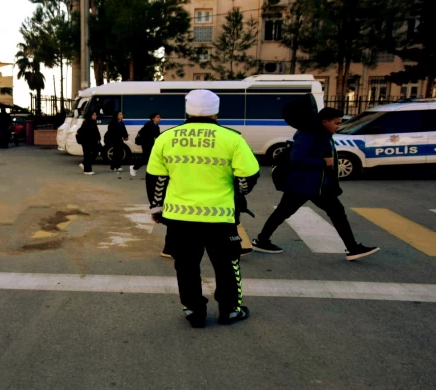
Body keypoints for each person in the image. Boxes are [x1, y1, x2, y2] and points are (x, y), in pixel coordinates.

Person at [146, 90, 260, 328]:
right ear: (216, 111)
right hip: (220, 217)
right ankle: (230, 310)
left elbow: (156, 177)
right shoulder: (232, 138)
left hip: (179, 218)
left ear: (187, 110)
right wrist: (239, 192)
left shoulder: (167, 138)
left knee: (186, 268)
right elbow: (248, 176)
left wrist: (156, 208)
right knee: (227, 265)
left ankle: (194, 313)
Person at [251, 102, 379, 261]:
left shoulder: (319, 133)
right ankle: (352, 248)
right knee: (332, 212)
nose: (338, 126)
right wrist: (323, 162)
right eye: (336, 123)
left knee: (288, 212)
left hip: (314, 184)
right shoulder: (309, 134)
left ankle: (261, 240)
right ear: (325, 121)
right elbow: (297, 159)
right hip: (305, 184)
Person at [130, 113, 161, 178]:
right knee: (146, 158)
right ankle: (134, 168)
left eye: (159, 117)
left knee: (150, 158)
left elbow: (157, 136)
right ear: (153, 118)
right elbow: (150, 135)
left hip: (150, 143)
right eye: (157, 117)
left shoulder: (156, 125)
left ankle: (151, 173)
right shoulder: (149, 125)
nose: (159, 119)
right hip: (146, 144)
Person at [77, 111, 101, 175]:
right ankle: (87, 170)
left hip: (93, 142)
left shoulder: (93, 122)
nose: (95, 116)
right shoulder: (86, 123)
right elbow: (86, 133)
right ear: (90, 116)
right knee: (87, 155)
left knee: (95, 153)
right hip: (86, 142)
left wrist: (98, 139)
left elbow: (96, 132)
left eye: (95, 115)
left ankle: (84, 164)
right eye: (94, 115)